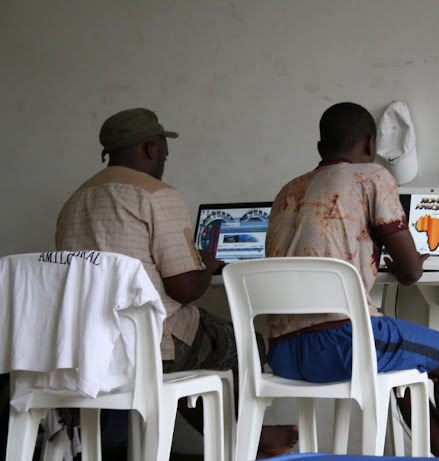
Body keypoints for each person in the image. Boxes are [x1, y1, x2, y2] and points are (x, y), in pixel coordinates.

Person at [54, 108, 297, 459]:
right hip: (148, 345)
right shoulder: (155, 194)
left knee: (196, 348)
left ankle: (239, 433)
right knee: (245, 343)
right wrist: (206, 263)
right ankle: (247, 436)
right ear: (151, 147)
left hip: (87, 347)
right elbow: (185, 288)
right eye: (164, 152)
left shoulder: (73, 202)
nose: (164, 160)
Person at [264, 102, 439, 457]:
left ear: (320, 149)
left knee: (409, 370)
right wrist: (399, 262)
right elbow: (411, 273)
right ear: (370, 146)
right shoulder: (372, 177)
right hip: (343, 346)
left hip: (284, 353)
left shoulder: (286, 192)